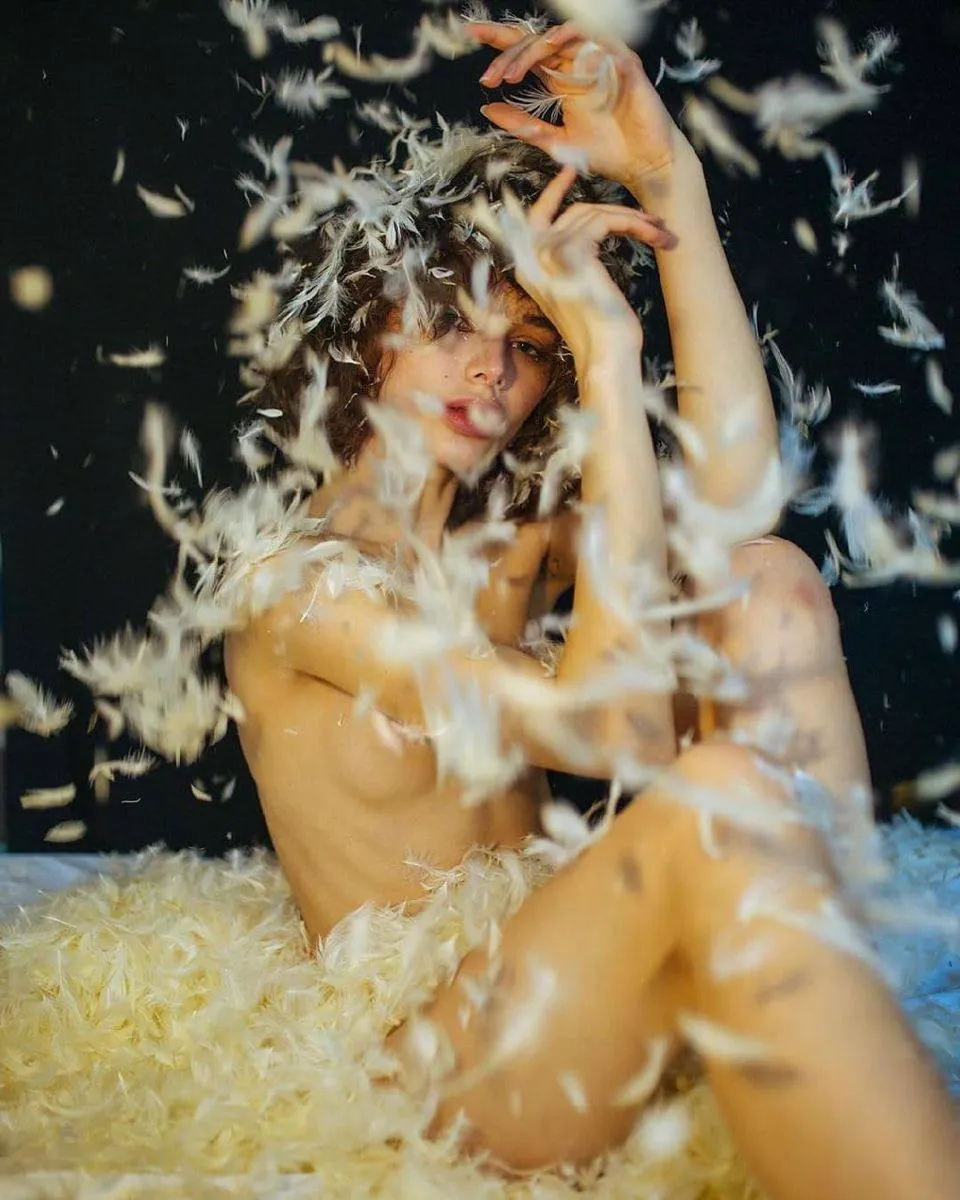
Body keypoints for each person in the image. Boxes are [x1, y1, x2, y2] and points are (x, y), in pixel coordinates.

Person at [223, 18, 960, 1198]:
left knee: (765, 579)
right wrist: (609, 367)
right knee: (716, 789)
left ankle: (837, 987)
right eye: (454, 318)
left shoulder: (511, 545)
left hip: (581, 973)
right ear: (366, 325)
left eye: (530, 342)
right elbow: (611, 734)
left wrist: (674, 185)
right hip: (446, 1059)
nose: (491, 369)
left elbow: (739, 493)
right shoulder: (297, 588)